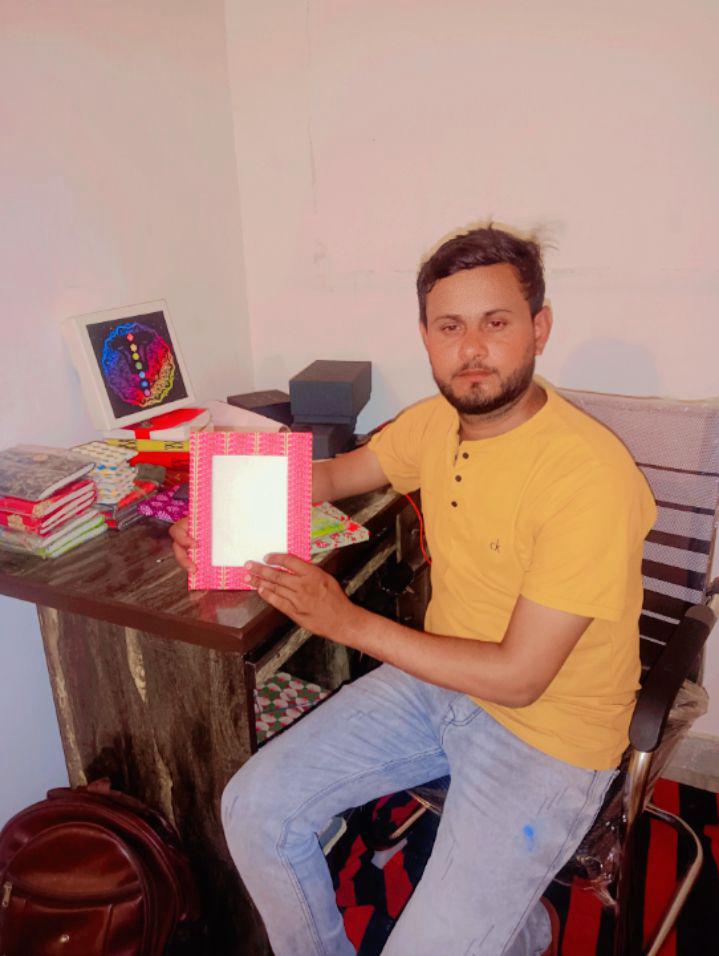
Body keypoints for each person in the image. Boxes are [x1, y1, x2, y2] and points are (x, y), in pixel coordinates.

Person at [170, 224, 656, 955]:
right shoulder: (434, 424)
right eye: (449, 326)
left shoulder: (587, 477)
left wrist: (346, 623)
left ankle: (519, 928)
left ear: (538, 328)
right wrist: (215, 514)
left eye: (496, 324)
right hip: (440, 684)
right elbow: (331, 476)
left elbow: (521, 678)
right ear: (425, 337)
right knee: (255, 809)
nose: (471, 350)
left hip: (549, 737)